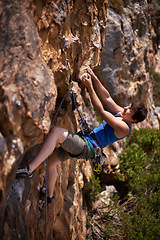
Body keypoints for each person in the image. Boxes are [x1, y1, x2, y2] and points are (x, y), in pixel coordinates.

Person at [16, 66, 148, 203]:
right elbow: (107, 98)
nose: (126, 108)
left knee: (56, 132)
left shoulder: (124, 128)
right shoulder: (123, 114)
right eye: (129, 106)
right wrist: (94, 77)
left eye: (130, 110)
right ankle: (49, 196)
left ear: (134, 120)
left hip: (87, 146)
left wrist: (89, 87)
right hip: (85, 141)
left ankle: (29, 169)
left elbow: (102, 111)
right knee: (51, 162)